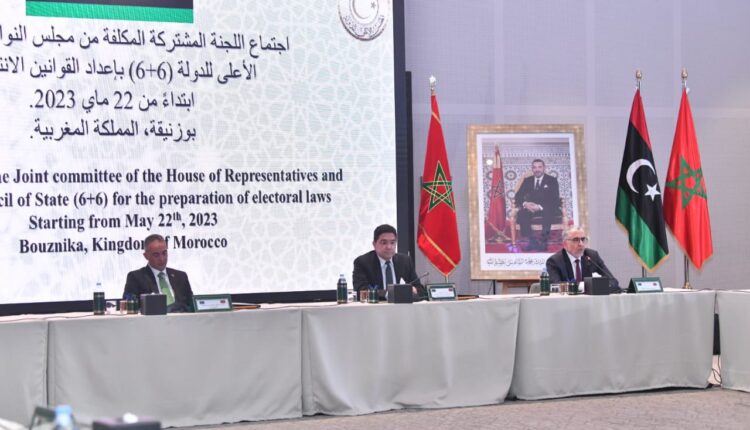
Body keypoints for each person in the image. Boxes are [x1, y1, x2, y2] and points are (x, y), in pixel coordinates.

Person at [123, 234, 194, 312]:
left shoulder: (181, 276)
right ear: (146, 256)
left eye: (164, 253)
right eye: (156, 255)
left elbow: (192, 305)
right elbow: (129, 308)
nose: (162, 259)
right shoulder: (136, 278)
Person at [352, 224, 426, 299]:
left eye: (392, 242)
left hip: (402, 306)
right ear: (374, 244)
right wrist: (392, 293)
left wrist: (414, 290)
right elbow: (361, 290)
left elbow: (420, 289)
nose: (389, 247)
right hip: (376, 305)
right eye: (384, 243)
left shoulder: (405, 261)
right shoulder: (362, 262)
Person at [546, 226, 620, 292]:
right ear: (565, 244)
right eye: (576, 240)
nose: (581, 244)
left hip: (591, 301)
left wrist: (597, 286)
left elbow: (613, 281)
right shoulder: (554, 261)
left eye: (583, 239)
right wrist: (586, 286)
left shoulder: (592, 256)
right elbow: (556, 285)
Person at [514, 159, 561, 251]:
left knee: (548, 212)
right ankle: (532, 241)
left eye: (539, 167)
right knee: (522, 213)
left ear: (544, 168)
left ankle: (544, 242)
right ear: (532, 169)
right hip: (531, 208)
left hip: (546, 207)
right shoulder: (528, 180)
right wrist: (526, 204)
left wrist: (539, 207)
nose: (537, 169)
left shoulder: (552, 180)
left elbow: (555, 198)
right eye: (534, 167)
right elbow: (518, 196)